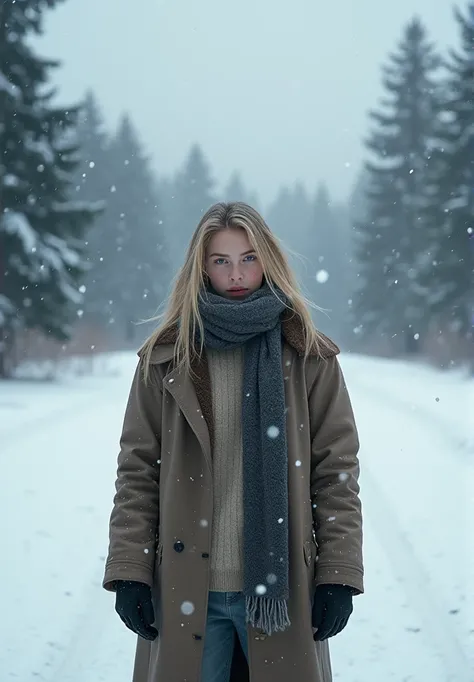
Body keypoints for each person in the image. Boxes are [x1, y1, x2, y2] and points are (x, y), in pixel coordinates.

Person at [103, 202, 364, 682]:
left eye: (248, 257)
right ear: (201, 267)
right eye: (221, 260)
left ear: (268, 259)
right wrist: (129, 569)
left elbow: (337, 472)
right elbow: (138, 469)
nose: (237, 273)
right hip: (186, 588)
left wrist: (339, 574)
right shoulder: (167, 356)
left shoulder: (308, 355)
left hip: (281, 590)